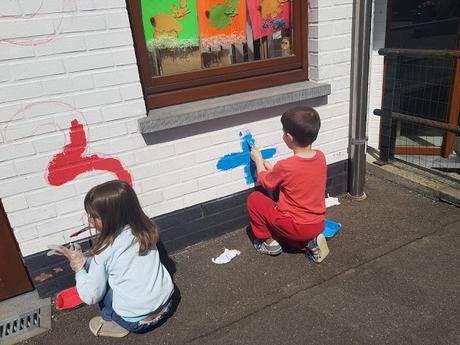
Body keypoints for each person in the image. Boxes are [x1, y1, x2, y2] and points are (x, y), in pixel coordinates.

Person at [54, 180, 174, 338]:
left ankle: (111, 322)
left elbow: (90, 296)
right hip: (167, 306)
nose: (89, 220)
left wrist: (78, 268)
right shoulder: (145, 230)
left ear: (111, 218)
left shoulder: (103, 252)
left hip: (136, 322)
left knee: (99, 284)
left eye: (94, 216)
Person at [248, 106, 329, 263]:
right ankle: (308, 242)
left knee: (255, 199)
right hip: (317, 224)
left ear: (290, 138)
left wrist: (258, 161)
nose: (283, 135)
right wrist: (274, 170)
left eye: (284, 132)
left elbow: (266, 182)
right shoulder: (320, 157)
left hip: (296, 227)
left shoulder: (286, 166)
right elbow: (300, 179)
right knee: (294, 227)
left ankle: (269, 243)